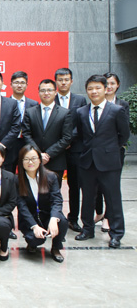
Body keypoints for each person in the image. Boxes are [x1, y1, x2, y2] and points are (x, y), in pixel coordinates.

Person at [75, 75, 130, 249]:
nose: (94, 91)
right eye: (90, 88)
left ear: (105, 89)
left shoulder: (116, 110)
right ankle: (87, 229)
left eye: (97, 88)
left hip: (109, 162)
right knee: (87, 197)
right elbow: (82, 135)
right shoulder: (81, 112)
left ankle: (116, 233)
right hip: (88, 161)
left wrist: (110, 149)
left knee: (113, 198)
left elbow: (124, 135)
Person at [16, 145, 67, 263]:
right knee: (35, 239)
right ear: (21, 162)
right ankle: (32, 244)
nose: (30, 162)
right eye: (26, 159)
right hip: (30, 219)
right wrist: (34, 226)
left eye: (34, 158)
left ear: (40, 160)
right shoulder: (17, 180)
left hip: (47, 215)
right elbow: (22, 206)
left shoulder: (51, 177)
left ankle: (56, 247)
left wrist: (54, 218)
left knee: (62, 221)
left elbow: (57, 200)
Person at [96, 72, 130, 231]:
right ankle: (99, 212)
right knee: (96, 186)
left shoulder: (122, 105)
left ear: (118, 85)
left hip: (114, 152)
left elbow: (124, 132)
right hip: (96, 153)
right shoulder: (95, 102)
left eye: (112, 83)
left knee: (111, 186)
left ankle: (108, 217)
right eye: (106, 83)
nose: (109, 86)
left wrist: (114, 147)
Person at [54, 67, 87, 233]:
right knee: (55, 186)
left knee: (75, 185)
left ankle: (73, 219)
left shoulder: (80, 100)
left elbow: (83, 123)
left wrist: (68, 139)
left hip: (75, 149)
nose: (63, 82)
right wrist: (61, 142)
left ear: (71, 81)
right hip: (57, 150)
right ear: (56, 82)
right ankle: (55, 217)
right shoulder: (50, 98)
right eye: (60, 80)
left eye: (66, 79)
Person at [22, 79, 73, 186]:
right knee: (34, 191)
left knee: (54, 192)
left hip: (55, 160)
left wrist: (48, 154)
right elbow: (26, 134)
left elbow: (66, 138)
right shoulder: (30, 112)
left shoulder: (64, 113)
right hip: (33, 160)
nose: (46, 93)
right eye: (43, 90)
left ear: (55, 92)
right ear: (38, 92)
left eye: (49, 90)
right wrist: (38, 154)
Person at [8, 71, 39, 172]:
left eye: (22, 83)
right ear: (11, 84)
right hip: (10, 144)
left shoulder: (34, 104)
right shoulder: (5, 103)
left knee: (27, 172)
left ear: (27, 85)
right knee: (9, 172)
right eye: (16, 82)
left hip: (27, 143)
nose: (19, 85)